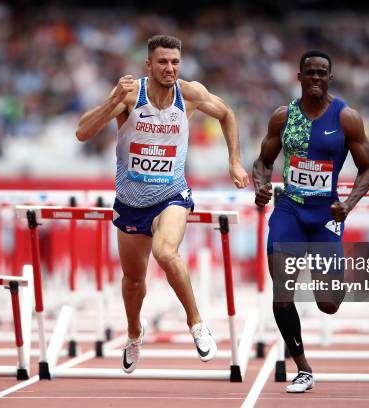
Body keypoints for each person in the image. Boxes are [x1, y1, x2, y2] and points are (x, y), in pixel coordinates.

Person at [76, 34, 249, 373]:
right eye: (163, 62)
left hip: (171, 196)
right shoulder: (128, 95)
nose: (170, 68)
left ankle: (197, 323)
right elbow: (82, 132)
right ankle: (134, 334)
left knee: (166, 252)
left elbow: (227, 113)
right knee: (134, 281)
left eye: (175, 62)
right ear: (148, 64)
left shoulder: (190, 94)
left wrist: (234, 161)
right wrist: (111, 101)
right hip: (129, 201)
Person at [253, 50, 369, 393]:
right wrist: (262, 186)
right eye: (311, 72)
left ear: (330, 78)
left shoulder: (347, 118)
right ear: (300, 77)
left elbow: (368, 168)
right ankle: (303, 368)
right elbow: (262, 162)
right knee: (282, 293)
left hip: (326, 214)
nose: (316, 77)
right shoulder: (283, 117)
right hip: (289, 208)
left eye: (323, 72)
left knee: (328, 303)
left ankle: (338, 277)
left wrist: (348, 204)